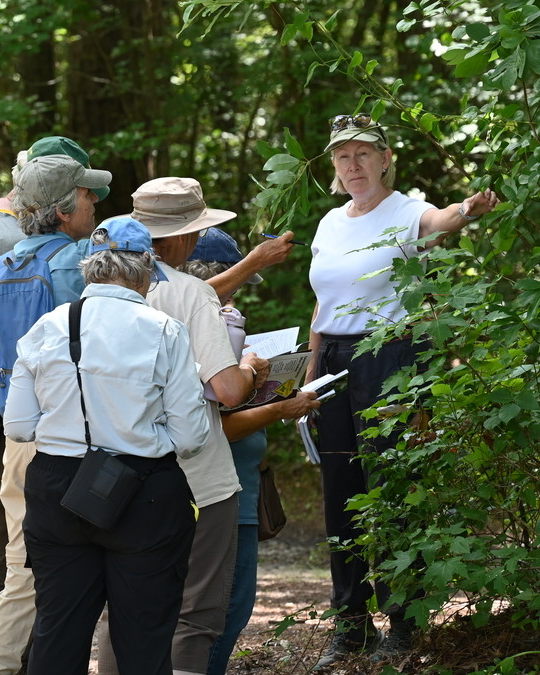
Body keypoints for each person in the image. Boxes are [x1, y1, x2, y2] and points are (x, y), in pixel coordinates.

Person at [307, 113, 499, 669]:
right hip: (333, 364)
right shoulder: (329, 223)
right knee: (340, 493)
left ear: (385, 158)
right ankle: (351, 627)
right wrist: (310, 374)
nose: (353, 165)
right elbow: (323, 303)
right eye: (343, 156)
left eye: (363, 154)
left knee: (391, 489)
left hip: (390, 357)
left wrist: (468, 208)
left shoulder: (406, 210)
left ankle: (404, 624)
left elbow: (442, 220)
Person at [4, 215, 209, 675]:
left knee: (57, 634)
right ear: (146, 267)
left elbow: (17, 426)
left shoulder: (46, 328)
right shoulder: (165, 330)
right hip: (143, 489)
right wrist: (142, 437)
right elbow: (191, 438)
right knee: (144, 641)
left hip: (58, 487)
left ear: (89, 267)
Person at [96, 177, 272, 675]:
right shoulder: (193, 294)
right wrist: (250, 368)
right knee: (195, 610)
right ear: (184, 237)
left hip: (118, 466)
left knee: (126, 604)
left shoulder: (92, 295)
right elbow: (227, 390)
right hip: (195, 473)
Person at [0, 152, 111, 675]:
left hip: (19, 443)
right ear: (64, 211)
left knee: (22, 569)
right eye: (87, 195)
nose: (94, 203)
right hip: (84, 444)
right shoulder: (84, 263)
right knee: (107, 564)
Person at [179, 229, 321, 675]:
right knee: (220, 609)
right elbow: (215, 424)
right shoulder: (204, 322)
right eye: (236, 282)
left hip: (231, 488)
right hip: (219, 494)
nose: (238, 295)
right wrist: (278, 408)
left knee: (220, 606)